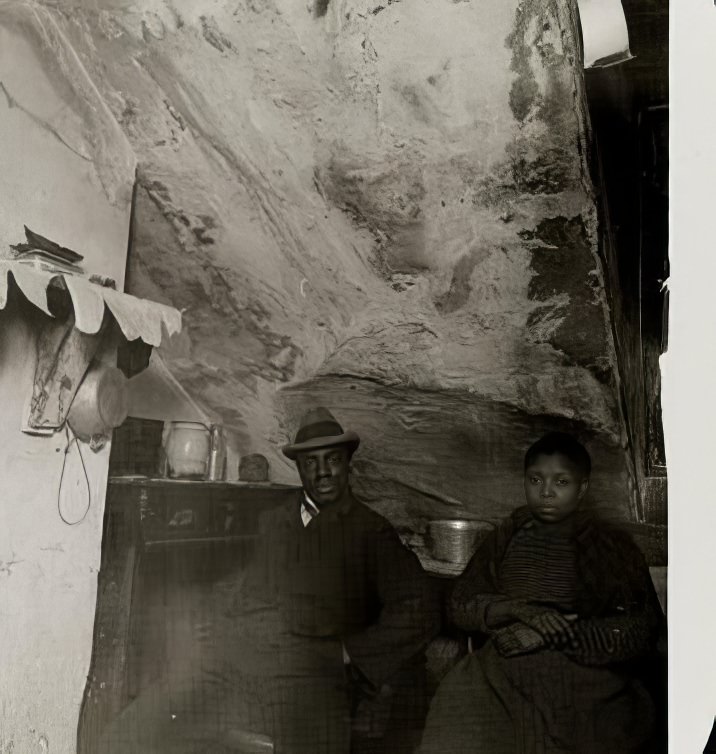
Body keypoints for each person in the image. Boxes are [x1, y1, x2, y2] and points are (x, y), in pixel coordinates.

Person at [99, 407, 440, 754]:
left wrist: (350, 653)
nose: (322, 472)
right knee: (137, 729)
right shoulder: (275, 519)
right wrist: (214, 626)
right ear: (299, 468)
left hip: (311, 675)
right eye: (311, 462)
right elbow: (247, 585)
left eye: (333, 460)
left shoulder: (371, 532)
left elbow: (420, 609)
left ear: (347, 463)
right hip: (242, 660)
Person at [418, 432, 665, 754]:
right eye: (536, 480)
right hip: (502, 671)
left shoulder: (611, 546)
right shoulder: (508, 535)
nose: (546, 493)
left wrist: (554, 635)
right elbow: (461, 603)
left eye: (561, 482)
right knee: (459, 701)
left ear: (582, 488)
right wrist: (516, 610)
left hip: (583, 676)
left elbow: (640, 629)